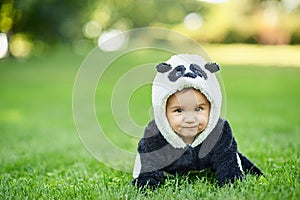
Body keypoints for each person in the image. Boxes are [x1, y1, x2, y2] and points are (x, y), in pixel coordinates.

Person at [132, 54, 263, 189]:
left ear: (212, 108)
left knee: (232, 159)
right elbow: (149, 164)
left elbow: (227, 159)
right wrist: (147, 183)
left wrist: (231, 180)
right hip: (170, 168)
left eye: (198, 109)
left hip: (206, 163)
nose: (190, 119)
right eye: (178, 110)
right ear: (163, 112)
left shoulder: (219, 132)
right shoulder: (155, 135)